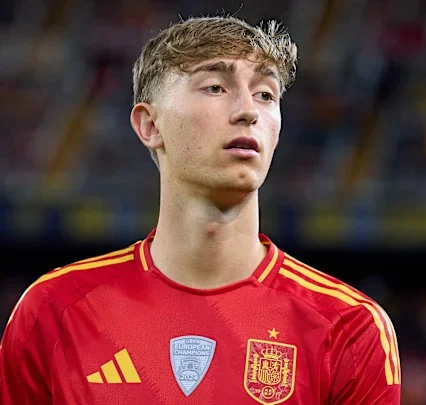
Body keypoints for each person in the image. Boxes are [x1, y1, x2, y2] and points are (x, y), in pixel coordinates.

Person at [0, 14, 401, 404]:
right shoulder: (52, 311)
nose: (249, 111)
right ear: (150, 126)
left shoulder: (349, 327)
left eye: (265, 94)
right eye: (215, 87)